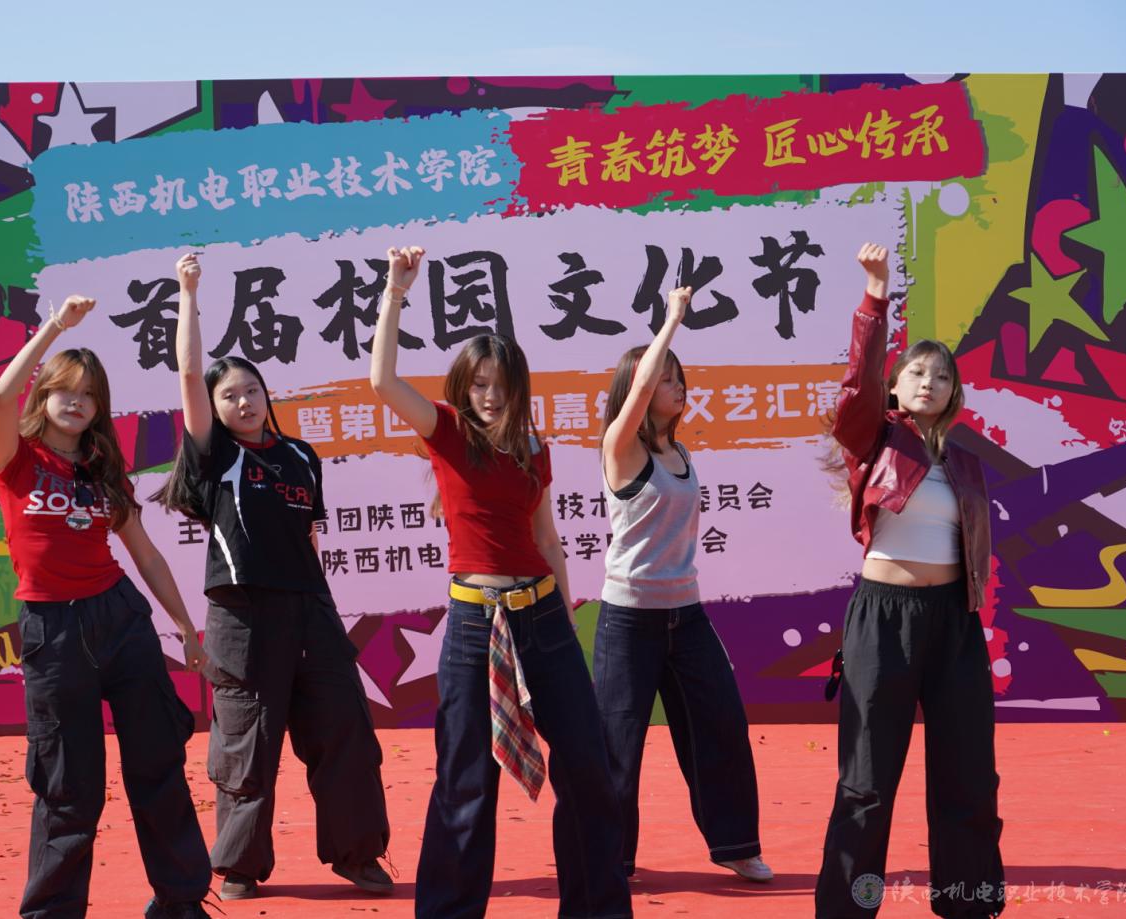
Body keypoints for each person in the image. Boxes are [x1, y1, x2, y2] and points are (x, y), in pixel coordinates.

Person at [370, 245, 632, 919]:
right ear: (464, 387)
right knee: (465, 781)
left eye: (501, 385)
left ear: (518, 389)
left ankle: (598, 909)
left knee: (589, 768)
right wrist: (396, 292)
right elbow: (382, 381)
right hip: (472, 622)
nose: (489, 395)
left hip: (542, 617)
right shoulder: (447, 431)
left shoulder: (534, 448)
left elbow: (547, 539)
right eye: (479, 383)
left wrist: (565, 618)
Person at [151, 253, 392, 901]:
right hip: (243, 616)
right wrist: (188, 292)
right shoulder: (215, 454)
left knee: (344, 728)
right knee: (246, 744)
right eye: (229, 395)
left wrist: (319, 609)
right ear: (214, 408)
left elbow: (310, 538)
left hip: (311, 611)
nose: (243, 401)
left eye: (252, 390)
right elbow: (189, 371)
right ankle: (239, 866)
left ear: (267, 395)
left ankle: (359, 854)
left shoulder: (300, 456)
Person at [0, 294, 212, 919]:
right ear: (45, 395)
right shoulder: (17, 459)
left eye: (89, 395)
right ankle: (53, 911)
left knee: (157, 765)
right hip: (53, 630)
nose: (76, 401)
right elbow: (2, 396)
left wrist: (184, 627)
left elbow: (147, 556)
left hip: (120, 621)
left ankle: (181, 900)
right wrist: (54, 327)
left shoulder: (103, 471)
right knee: (68, 784)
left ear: (99, 408)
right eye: (65, 389)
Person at [815, 243, 1004, 918]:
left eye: (942, 376)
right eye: (917, 372)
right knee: (867, 783)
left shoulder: (965, 465)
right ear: (896, 387)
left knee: (968, 777)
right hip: (883, 620)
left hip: (953, 625)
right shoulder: (875, 438)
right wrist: (875, 297)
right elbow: (856, 389)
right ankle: (850, 907)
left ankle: (967, 902)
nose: (929, 381)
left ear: (954, 394)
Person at [595, 285, 772, 884]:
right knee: (618, 743)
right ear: (639, 390)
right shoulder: (620, 448)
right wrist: (671, 320)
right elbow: (641, 385)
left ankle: (736, 844)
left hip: (686, 615)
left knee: (720, 724)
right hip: (628, 619)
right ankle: (611, 859)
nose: (677, 387)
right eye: (666, 379)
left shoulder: (680, 451)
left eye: (680, 378)